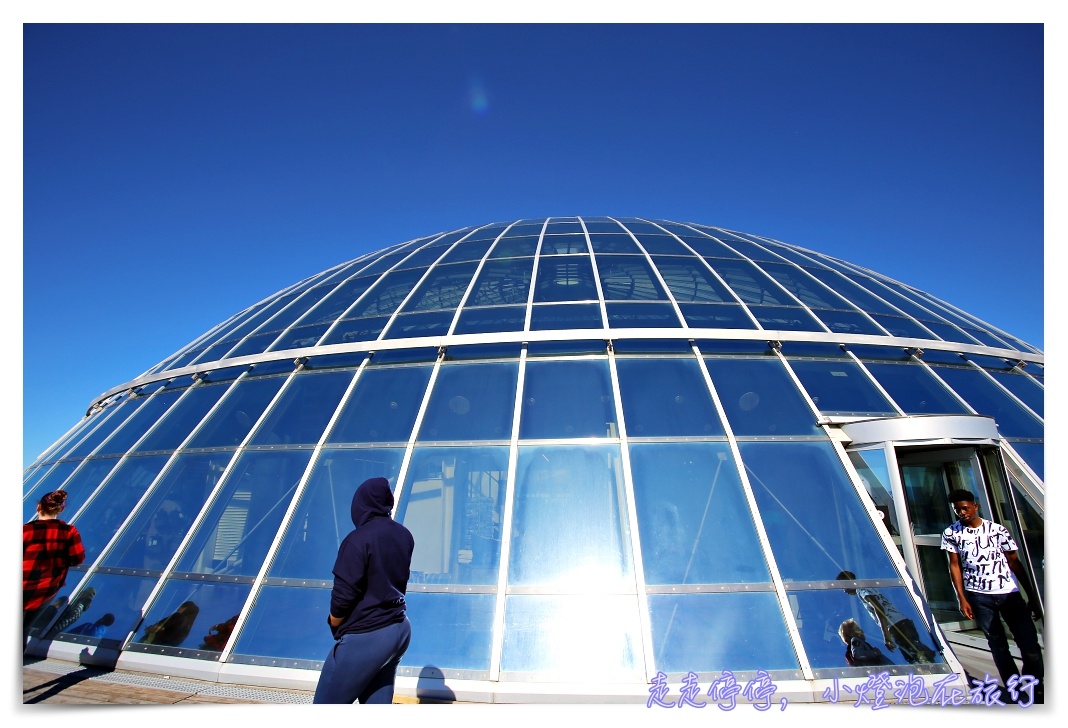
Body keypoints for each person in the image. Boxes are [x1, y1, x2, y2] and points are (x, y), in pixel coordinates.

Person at [313, 477, 415, 704]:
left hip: (367, 634)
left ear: (360, 505)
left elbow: (343, 594)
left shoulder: (357, 539)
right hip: (398, 628)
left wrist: (334, 621)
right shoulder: (404, 535)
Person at [941, 488, 1044, 702]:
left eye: (965, 508)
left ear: (975, 506)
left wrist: (1032, 595)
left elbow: (1014, 561)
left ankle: (1035, 684)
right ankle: (1014, 689)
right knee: (997, 645)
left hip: (1008, 593)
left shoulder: (997, 530)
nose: (962, 513)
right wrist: (962, 597)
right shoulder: (952, 533)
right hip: (979, 596)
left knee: (1029, 644)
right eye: (957, 510)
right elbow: (955, 566)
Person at [836, 569, 936, 664]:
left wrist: (886, 635)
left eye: (843, 587)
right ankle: (928, 653)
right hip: (903, 622)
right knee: (913, 651)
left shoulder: (861, 591)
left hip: (896, 626)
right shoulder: (867, 588)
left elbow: (878, 608)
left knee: (915, 657)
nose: (844, 591)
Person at [23, 490, 85, 643]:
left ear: (38, 507)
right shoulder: (69, 532)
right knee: (24, 630)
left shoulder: (25, 531)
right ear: (61, 509)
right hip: (46, 589)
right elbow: (77, 558)